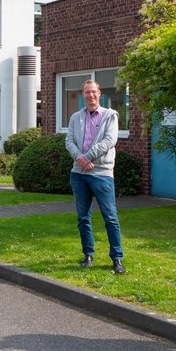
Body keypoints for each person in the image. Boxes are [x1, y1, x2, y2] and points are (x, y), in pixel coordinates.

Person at [64, 80, 125, 274]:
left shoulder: (110, 116)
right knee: (83, 218)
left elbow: (110, 140)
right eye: (87, 92)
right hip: (79, 175)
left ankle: (117, 258)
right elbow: (69, 140)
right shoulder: (75, 117)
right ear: (83, 95)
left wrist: (87, 157)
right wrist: (79, 159)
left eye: (93, 92)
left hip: (101, 174)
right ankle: (88, 255)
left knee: (110, 218)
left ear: (99, 93)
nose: (90, 95)